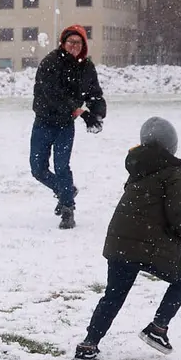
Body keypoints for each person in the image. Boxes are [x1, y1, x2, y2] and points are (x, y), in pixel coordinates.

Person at [75, 118, 181, 360]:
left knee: (114, 294)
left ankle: (89, 343)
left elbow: (149, 210)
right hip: (147, 246)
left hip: (121, 241)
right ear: (172, 145)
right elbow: (177, 216)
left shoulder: (139, 167)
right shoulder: (175, 173)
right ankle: (158, 329)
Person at [30, 25, 106, 230]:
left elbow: (94, 94)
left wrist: (97, 114)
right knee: (38, 169)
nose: (74, 46)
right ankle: (67, 190)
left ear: (83, 45)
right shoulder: (50, 63)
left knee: (62, 166)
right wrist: (78, 111)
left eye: (78, 43)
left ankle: (67, 209)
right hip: (44, 121)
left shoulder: (86, 68)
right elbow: (52, 94)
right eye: (70, 42)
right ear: (63, 43)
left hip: (65, 126)